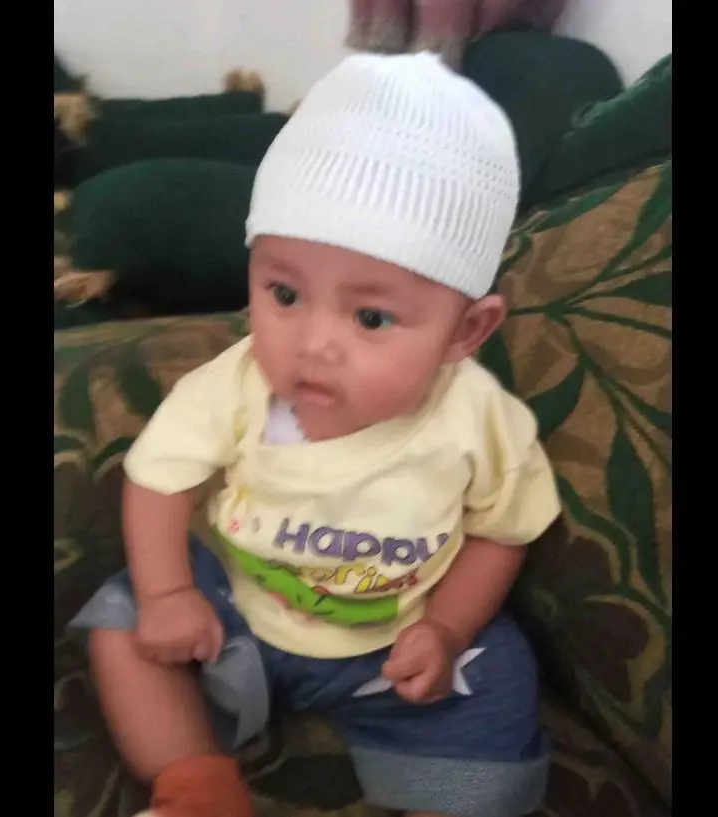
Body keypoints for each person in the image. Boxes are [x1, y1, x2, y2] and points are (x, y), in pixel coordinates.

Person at [69, 51, 562, 817]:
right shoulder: (234, 384)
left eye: (371, 316)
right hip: (233, 608)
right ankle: (197, 787)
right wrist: (168, 594)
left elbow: (504, 531)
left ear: (466, 330)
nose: (313, 343)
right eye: (285, 293)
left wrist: (446, 627)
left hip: (393, 638)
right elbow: (158, 478)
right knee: (122, 625)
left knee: (496, 678)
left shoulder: (482, 421)